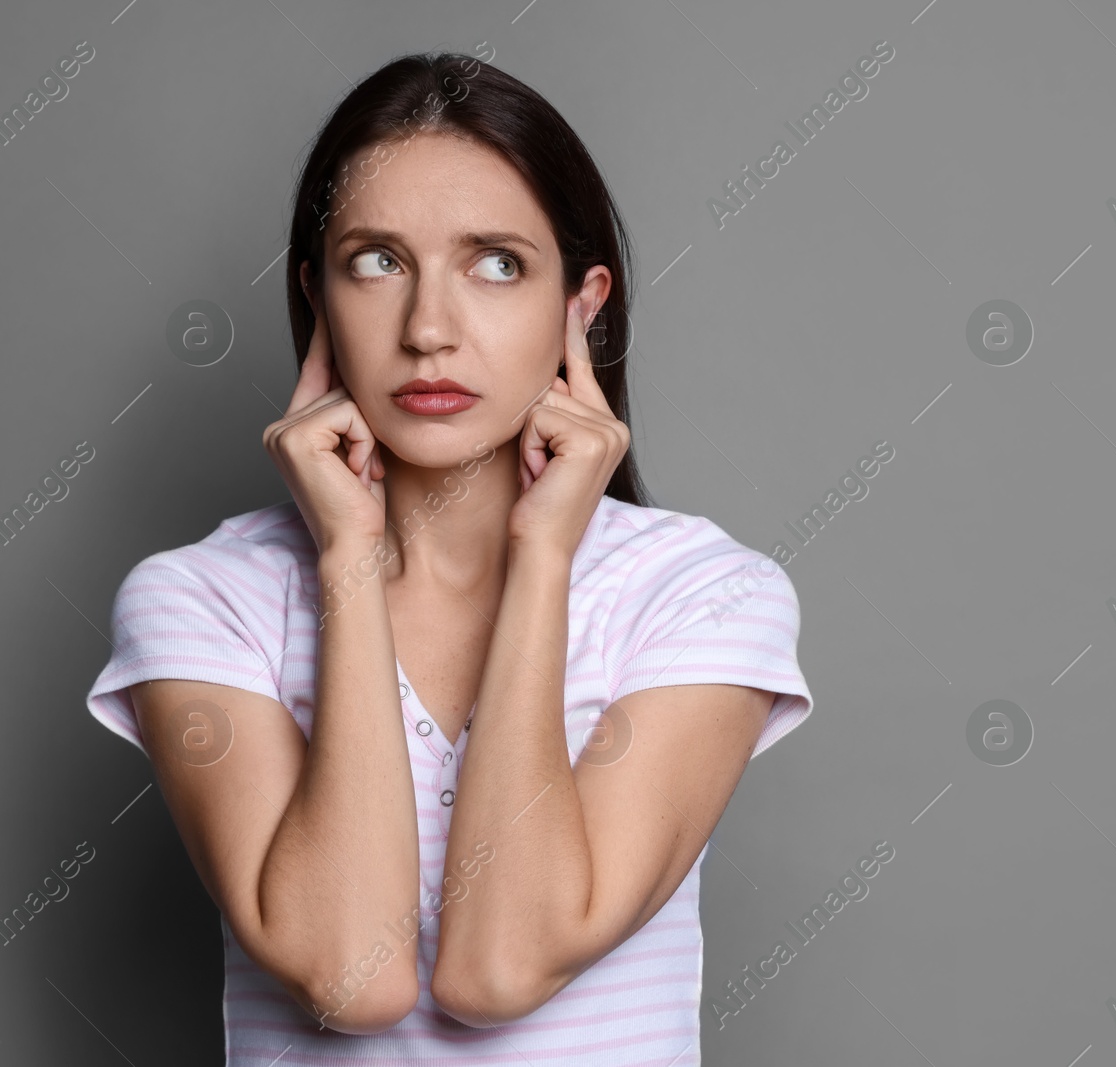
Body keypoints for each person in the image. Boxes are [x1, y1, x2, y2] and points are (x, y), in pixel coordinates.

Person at [84, 50, 812, 1064]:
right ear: (317, 295)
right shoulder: (206, 598)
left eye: (497, 262)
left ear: (581, 303)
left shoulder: (698, 594)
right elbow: (353, 974)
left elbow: (500, 966)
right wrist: (346, 557)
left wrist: (545, 554)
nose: (428, 328)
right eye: (376, 261)